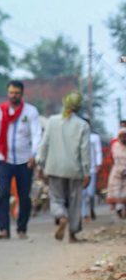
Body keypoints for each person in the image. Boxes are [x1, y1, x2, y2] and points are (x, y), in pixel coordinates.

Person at [36, 92, 92, 242]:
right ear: (78, 107)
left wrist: (40, 164)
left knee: (56, 198)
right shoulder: (83, 125)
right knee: (75, 202)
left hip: (54, 168)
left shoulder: (52, 121)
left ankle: (61, 216)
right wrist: (87, 171)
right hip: (75, 170)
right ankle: (72, 235)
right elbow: (84, 151)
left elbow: (44, 145)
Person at [0, 80, 42, 240]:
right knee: (3, 194)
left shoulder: (31, 111)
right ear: (8, 93)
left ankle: (22, 228)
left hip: (25, 160)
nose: (14, 96)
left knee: (24, 196)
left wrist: (34, 154)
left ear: (22, 94)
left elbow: (36, 134)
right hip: (4, 159)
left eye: (17, 93)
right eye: (11, 93)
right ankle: (4, 229)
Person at [84, 127, 102, 221]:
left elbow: (98, 151)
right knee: (82, 194)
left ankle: (91, 208)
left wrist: (99, 164)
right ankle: (84, 215)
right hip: (80, 170)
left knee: (91, 193)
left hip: (92, 169)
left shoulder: (94, 137)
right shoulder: (75, 136)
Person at [107, 129, 126, 218]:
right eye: (122, 136)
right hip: (117, 171)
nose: (124, 138)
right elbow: (116, 158)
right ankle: (119, 209)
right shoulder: (115, 146)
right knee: (116, 190)